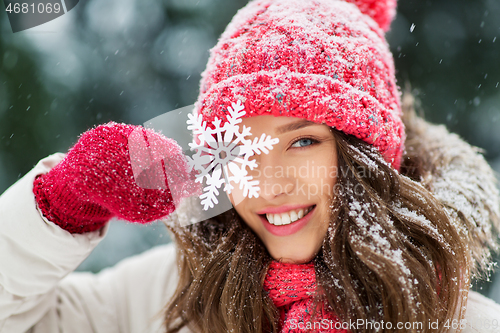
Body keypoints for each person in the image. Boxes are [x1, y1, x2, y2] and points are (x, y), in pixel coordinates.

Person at [1, 0, 500, 332]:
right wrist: (62, 204)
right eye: (241, 147)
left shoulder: (455, 322)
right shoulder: (177, 297)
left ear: (366, 155)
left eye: (302, 141)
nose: (269, 182)